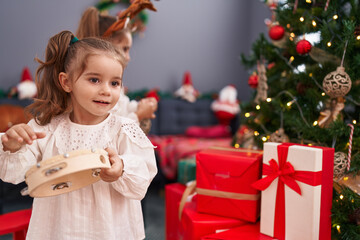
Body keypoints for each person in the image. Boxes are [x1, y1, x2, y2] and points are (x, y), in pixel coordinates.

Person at [0, 30, 157, 240]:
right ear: (66, 82)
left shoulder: (123, 129)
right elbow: (13, 174)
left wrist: (121, 169)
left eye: (114, 83)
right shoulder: (45, 128)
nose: (106, 91)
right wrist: (12, 146)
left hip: (110, 231)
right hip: (59, 231)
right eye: (94, 80)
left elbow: (143, 178)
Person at [76, 6, 157, 129]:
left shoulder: (113, 84)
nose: (128, 57)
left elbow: (122, 107)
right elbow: (107, 130)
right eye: (124, 49)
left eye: (114, 83)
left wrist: (142, 106)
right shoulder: (93, 91)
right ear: (105, 45)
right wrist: (138, 115)